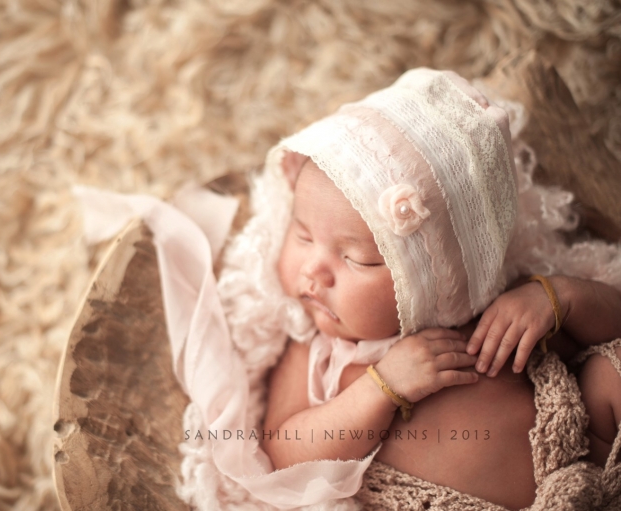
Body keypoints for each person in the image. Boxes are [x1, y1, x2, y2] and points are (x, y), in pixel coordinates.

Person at [252, 68, 621, 509]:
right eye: (302, 235)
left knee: (610, 374)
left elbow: (612, 325)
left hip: (587, 454)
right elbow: (285, 454)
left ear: (436, 278)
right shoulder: (316, 351)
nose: (313, 271)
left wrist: (557, 298)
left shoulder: (496, 309)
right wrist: (381, 386)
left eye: (357, 258)